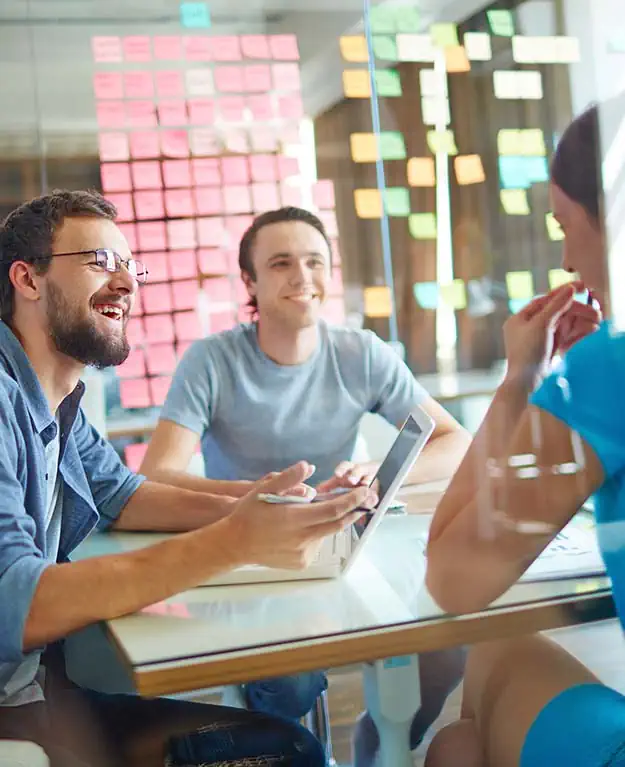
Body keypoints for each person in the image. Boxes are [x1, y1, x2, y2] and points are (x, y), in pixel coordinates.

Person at [0, 189, 378, 767]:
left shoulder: (60, 394)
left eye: (130, 266)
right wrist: (233, 541)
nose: (127, 283)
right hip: (16, 715)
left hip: (44, 691)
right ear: (27, 280)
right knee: (292, 752)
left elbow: (123, 496)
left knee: (290, 743)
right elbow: (17, 604)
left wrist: (259, 505)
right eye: (101, 262)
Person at [140, 206, 471, 763]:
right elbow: (155, 477)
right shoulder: (212, 361)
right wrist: (266, 497)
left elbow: (453, 440)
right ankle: (290, 750)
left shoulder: (361, 353)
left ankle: (373, 741)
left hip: (342, 550)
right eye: (281, 262)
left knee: (444, 649)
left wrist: (376, 470)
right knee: (291, 687)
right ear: (249, 280)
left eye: (315, 261)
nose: (302, 276)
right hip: (251, 563)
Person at [425, 96, 624, 767]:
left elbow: (452, 577)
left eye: (566, 226)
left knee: (486, 665)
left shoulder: (609, 368)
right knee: (458, 745)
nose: (568, 258)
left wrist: (520, 382)